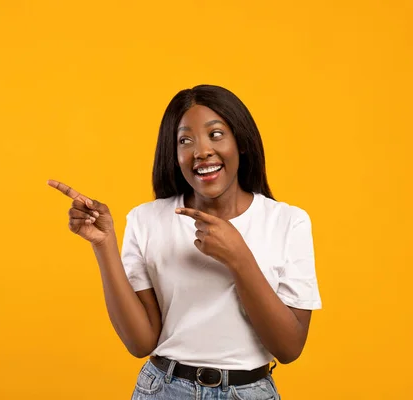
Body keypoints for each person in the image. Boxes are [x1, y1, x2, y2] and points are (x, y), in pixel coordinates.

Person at [48, 85, 322, 399]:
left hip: (250, 392)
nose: (201, 150)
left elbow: (289, 348)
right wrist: (104, 244)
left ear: (241, 143)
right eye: (185, 140)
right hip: (164, 389)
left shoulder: (288, 222)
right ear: (175, 155)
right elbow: (140, 343)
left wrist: (238, 257)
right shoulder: (146, 220)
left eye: (216, 134)